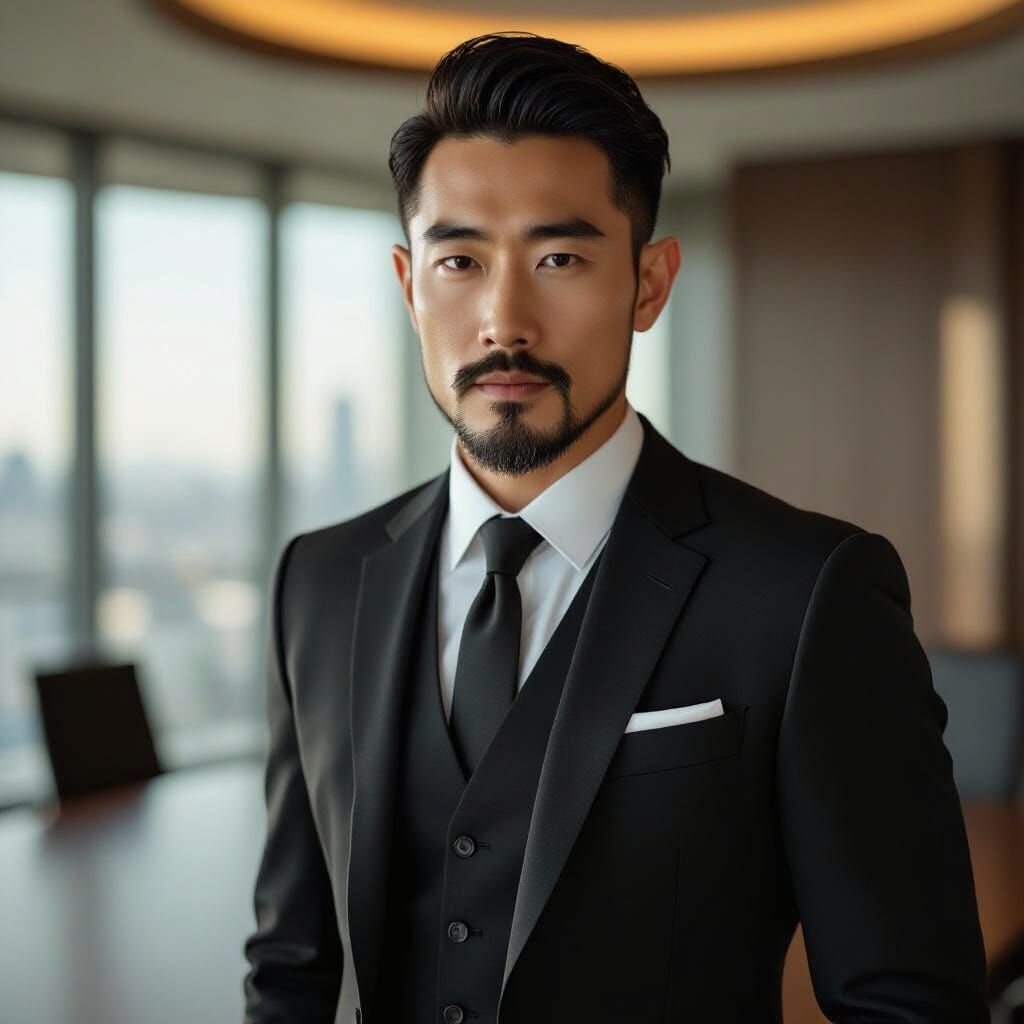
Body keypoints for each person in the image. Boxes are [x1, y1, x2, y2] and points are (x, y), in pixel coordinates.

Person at [242, 31, 988, 1024]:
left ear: (648, 283)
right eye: (459, 258)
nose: (505, 319)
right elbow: (288, 967)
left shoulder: (806, 592)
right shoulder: (319, 580)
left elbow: (909, 1003)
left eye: (558, 256)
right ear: (409, 283)